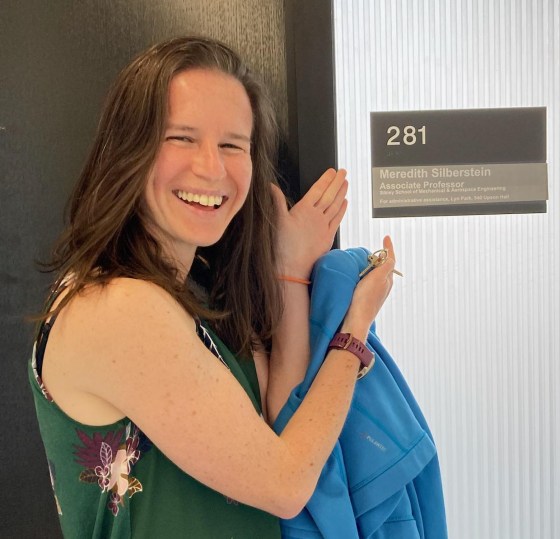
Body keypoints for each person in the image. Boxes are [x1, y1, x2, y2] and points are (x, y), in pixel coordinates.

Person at [29, 36, 396, 538]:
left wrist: (290, 273)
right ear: (129, 150)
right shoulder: (117, 307)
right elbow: (287, 483)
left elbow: (283, 419)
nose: (211, 168)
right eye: (181, 138)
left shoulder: (188, 296)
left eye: (232, 145)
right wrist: (354, 332)